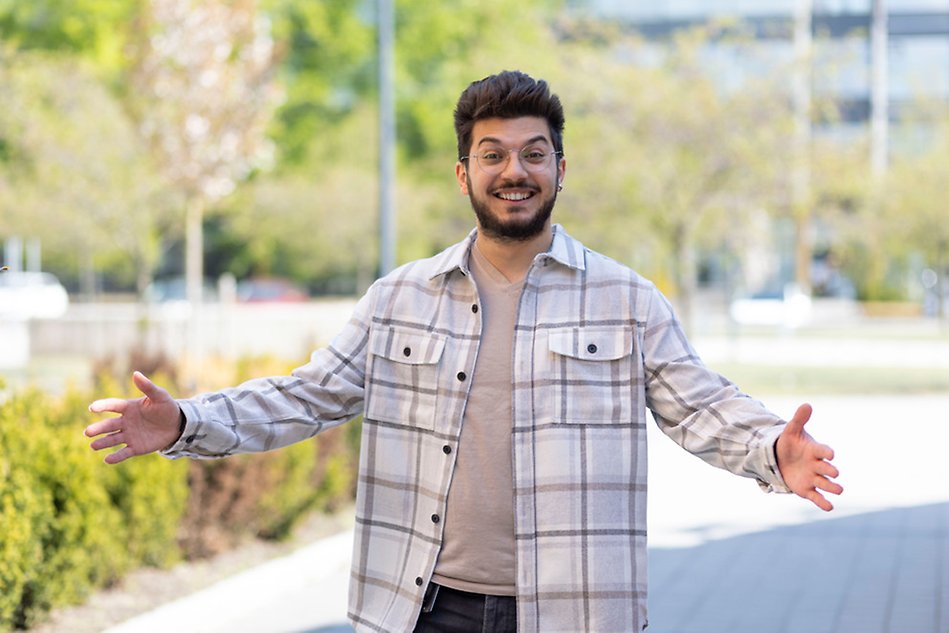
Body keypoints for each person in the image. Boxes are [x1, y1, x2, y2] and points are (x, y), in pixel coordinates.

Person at [86, 70, 842, 633]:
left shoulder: (626, 299)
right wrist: (186, 421)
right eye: (493, 154)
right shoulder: (399, 298)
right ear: (464, 174)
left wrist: (773, 449)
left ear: (559, 170)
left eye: (532, 153)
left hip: (575, 609)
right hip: (423, 608)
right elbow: (303, 395)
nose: (513, 170)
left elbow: (698, 405)